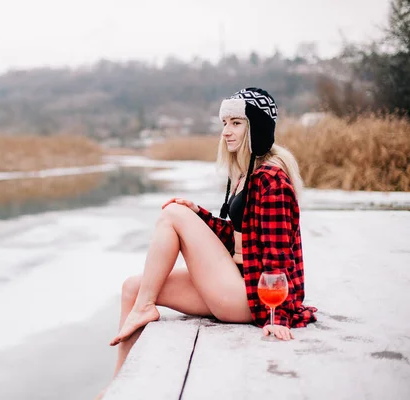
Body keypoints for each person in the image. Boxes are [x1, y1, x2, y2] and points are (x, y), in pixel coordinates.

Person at [105, 87, 317, 388]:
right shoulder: (246, 173)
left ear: (256, 127)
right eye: (224, 123)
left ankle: (145, 307)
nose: (226, 132)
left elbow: (277, 255)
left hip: (251, 298)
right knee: (133, 287)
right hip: (233, 282)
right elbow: (239, 237)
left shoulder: (271, 179)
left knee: (173, 215)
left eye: (236, 123)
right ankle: (117, 385)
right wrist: (200, 213)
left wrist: (277, 318)